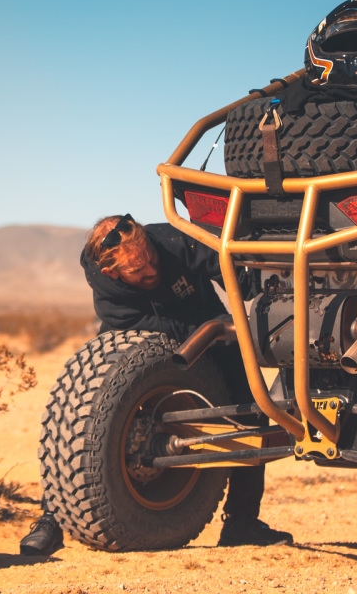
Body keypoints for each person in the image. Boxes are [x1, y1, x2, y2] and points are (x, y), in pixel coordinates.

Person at [20, 215, 294, 556]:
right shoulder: (108, 293)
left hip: (211, 330)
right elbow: (151, 335)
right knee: (87, 422)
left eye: (150, 257)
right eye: (139, 270)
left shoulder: (173, 241)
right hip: (141, 340)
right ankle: (52, 519)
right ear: (113, 273)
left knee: (252, 412)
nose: (152, 270)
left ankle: (241, 521)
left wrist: (270, 289)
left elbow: (227, 265)